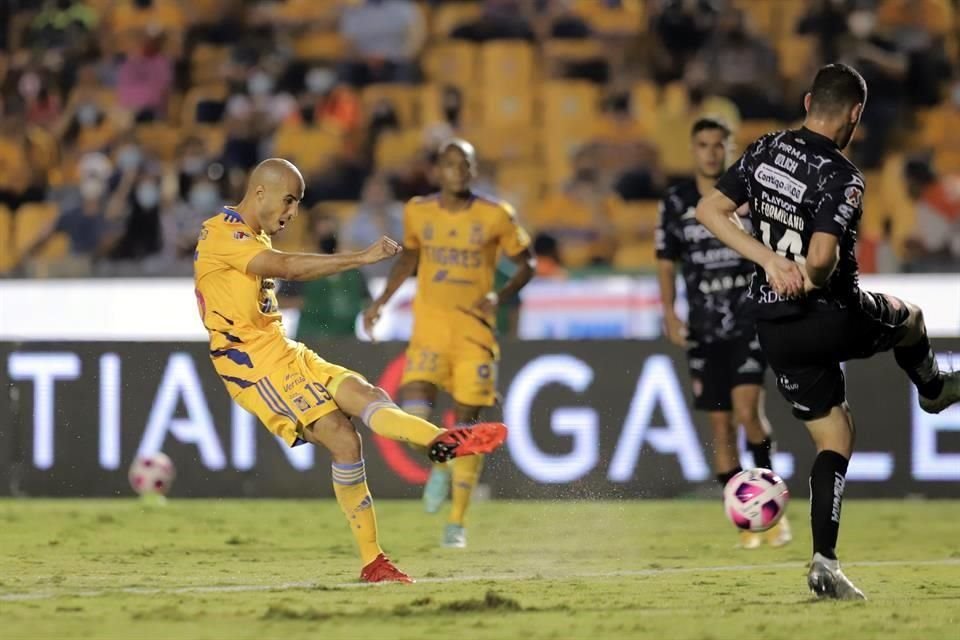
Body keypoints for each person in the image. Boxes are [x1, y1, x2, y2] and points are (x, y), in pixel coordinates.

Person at [695, 63, 960, 600]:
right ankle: (933, 390)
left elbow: (710, 210)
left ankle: (825, 564)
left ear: (810, 98)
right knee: (909, 318)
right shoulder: (843, 177)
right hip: (832, 314)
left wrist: (769, 261)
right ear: (856, 114)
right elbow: (819, 259)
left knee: (833, 437)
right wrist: (806, 276)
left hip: (773, 326)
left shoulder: (766, 148)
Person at [193, 158, 508, 583]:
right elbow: (287, 268)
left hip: (284, 349)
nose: (291, 213)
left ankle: (438, 442)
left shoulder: (255, 234)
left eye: (297, 204)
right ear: (260, 192)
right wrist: (361, 257)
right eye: (288, 201)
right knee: (344, 438)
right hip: (252, 365)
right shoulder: (222, 233)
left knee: (366, 394)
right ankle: (372, 560)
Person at [363, 139, 535, 548]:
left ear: (474, 171)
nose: (458, 171)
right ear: (437, 171)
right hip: (430, 328)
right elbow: (409, 258)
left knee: (469, 425)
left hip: (474, 332)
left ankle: (456, 522)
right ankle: (440, 465)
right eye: (450, 164)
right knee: (415, 405)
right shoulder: (418, 211)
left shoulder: (496, 215)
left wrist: (499, 295)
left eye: (466, 164)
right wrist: (382, 301)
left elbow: (528, 262)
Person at [656, 117, 790, 550]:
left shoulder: (750, 194)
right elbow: (665, 259)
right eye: (703, 145)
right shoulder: (676, 201)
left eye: (719, 145)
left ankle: (774, 512)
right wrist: (669, 312)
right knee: (721, 428)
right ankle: (746, 519)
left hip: (748, 318)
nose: (711, 152)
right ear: (693, 149)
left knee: (748, 411)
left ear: (730, 149)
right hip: (702, 326)